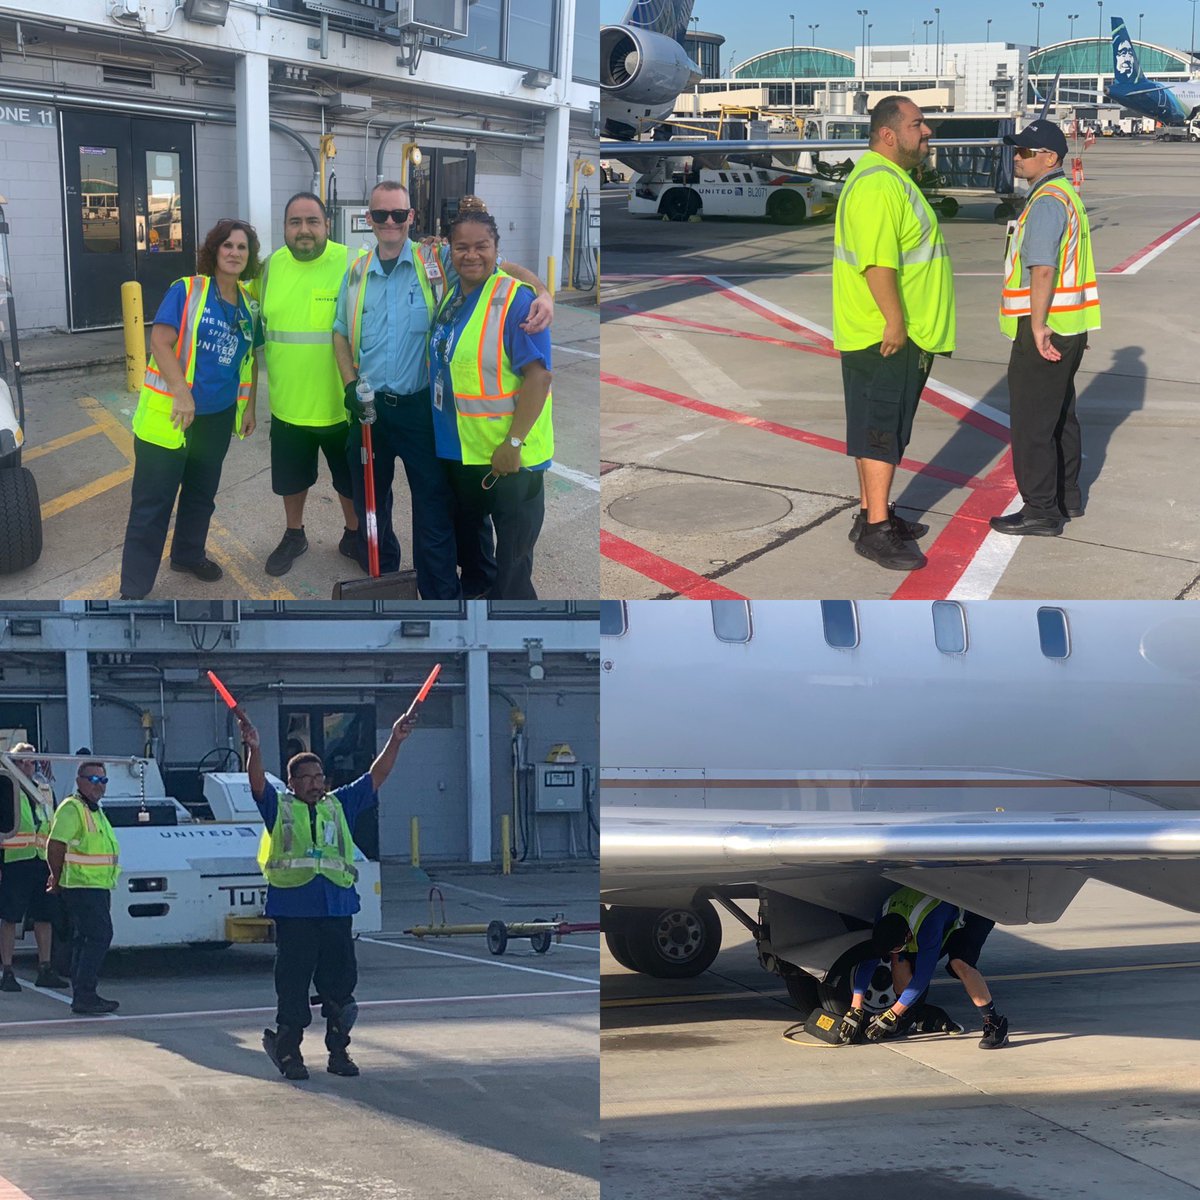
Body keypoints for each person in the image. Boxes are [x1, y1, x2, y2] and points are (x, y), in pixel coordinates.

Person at [332, 180, 553, 598]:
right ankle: (384, 580)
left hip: (421, 411)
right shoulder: (357, 273)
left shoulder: (437, 259)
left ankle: (439, 596)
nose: (391, 222)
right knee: (372, 504)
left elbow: (498, 267)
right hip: (369, 410)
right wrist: (348, 386)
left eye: (399, 214)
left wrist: (543, 294)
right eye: (381, 215)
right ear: (369, 220)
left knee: (433, 511)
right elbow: (340, 334)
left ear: (411, 218)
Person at [236, 706, 417, 1080]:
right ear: (293, 782)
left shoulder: (339, 804)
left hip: (336, 908)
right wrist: (254, 749)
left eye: (320, 776)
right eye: (309, 778)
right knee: (293, 985)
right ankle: (289, 1054)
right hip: (294, 910)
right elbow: (256, 785)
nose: (317, 782)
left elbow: (376, 776)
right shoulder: (279, 807)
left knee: (339, 987)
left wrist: (395, 740)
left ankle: (338, 1053)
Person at [832, 95, 956, 572]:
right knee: (881, 430)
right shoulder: (880, 185)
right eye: (918, 124)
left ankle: (871, 516)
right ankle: (878, 531)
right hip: (885, 334)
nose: (926, 132)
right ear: (889, 134)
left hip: (881, 330)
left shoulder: (888, 181)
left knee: (873, 427)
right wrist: (896, 322)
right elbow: (878, 262)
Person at [120, 219, 261, 599]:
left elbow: (248, 361)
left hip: (216, 419)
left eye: (242, 247)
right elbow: (160, 342)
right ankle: (133, 591)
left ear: (249, 257)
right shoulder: (187, 290)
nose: (234, 253)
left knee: (201, 493)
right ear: (214, 251)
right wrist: (182, 393)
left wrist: (248, 408)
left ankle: (187, 554)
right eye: (227, 245)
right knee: (153, 503)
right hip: (172, 415)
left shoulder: (249, 305)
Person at [430, 210, 554, 600]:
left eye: (481, 246)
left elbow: (539, 377)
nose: (471, 255)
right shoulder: (453, 295)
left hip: (510, 461)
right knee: (476, 554)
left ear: (496, 250)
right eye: (461, 247)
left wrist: (513, 444)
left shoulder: (517, 301)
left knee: (513, 566)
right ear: (449, 250)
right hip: (465, 452)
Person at [991, 118, 1100, 537]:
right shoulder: (1066, 195)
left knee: (1033, 421)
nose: (1016, 157)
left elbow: (1043, 269)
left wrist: (1037, 326)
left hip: (1046, 327)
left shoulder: (1047, 202)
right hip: (1070, 324)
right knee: (1060, 417)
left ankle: (1041, 510)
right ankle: (1067, 498)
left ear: (1048, 158)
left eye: (1023, 152)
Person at [256, 193, 363, 576]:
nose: (304, 230)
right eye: (295, 222)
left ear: (326, 225)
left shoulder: (353, 262)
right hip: (288, 406)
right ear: (284, 226)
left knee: (349, 481)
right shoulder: (269, 269)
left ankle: (353, 536)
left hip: (342, 405)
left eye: (312, 222)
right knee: (291, 480)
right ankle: (294, 534)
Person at [836, 886, 1009, 1050]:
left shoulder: (928, 926)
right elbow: (869, 961)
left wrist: (892, 1014)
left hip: (973, 908)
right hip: (934, 910)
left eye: (897, 945)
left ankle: (995, 1023)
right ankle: (907, 1016)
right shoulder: (884, 912)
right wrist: (855, 1008)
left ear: (908, 936)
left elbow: (922, 978)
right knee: (899, 957)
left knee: (959, 963)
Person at [45, 760, 121, 1015]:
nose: (99, 785)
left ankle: (82, 994)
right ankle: (86, 993)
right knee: (100, 936)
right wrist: (56, 878)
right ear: (79, 781)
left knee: (85, 939)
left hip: (97, 885)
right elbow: (55, 845)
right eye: (93, 779)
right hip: (81, 885)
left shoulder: (95, 811)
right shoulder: (72, 808)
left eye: (103, 780)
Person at [0, 743, 68, 992]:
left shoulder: (44, 789)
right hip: (15, 861)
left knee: (44, 916)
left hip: (42, 861)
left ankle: (45, 967)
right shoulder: (5, 787)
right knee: (10, 917)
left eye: (32, 762)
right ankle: (7, 970)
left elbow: (55, 825)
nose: (30, 766)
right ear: (13, 764)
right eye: (25, 761)